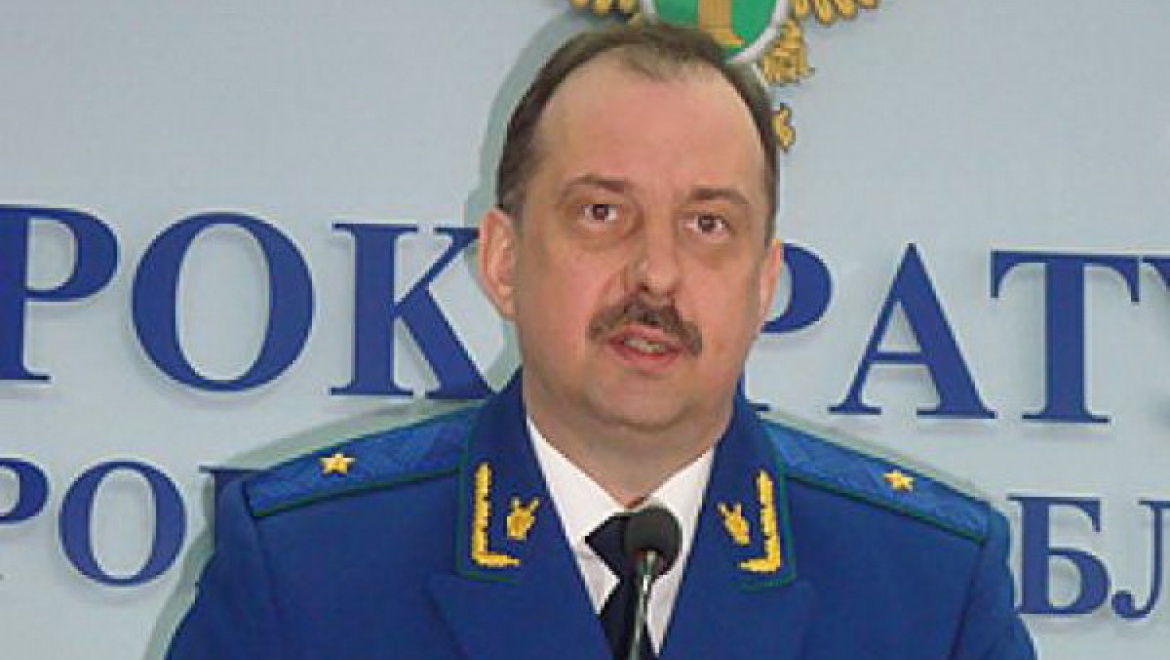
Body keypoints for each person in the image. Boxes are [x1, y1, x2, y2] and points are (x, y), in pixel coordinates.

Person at [165, 21, 1036, 660]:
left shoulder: (929, 589)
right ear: (504, 261)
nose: (656, 274)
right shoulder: (306, 566)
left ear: (765, 282)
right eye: (601, 213)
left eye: (707, 223)